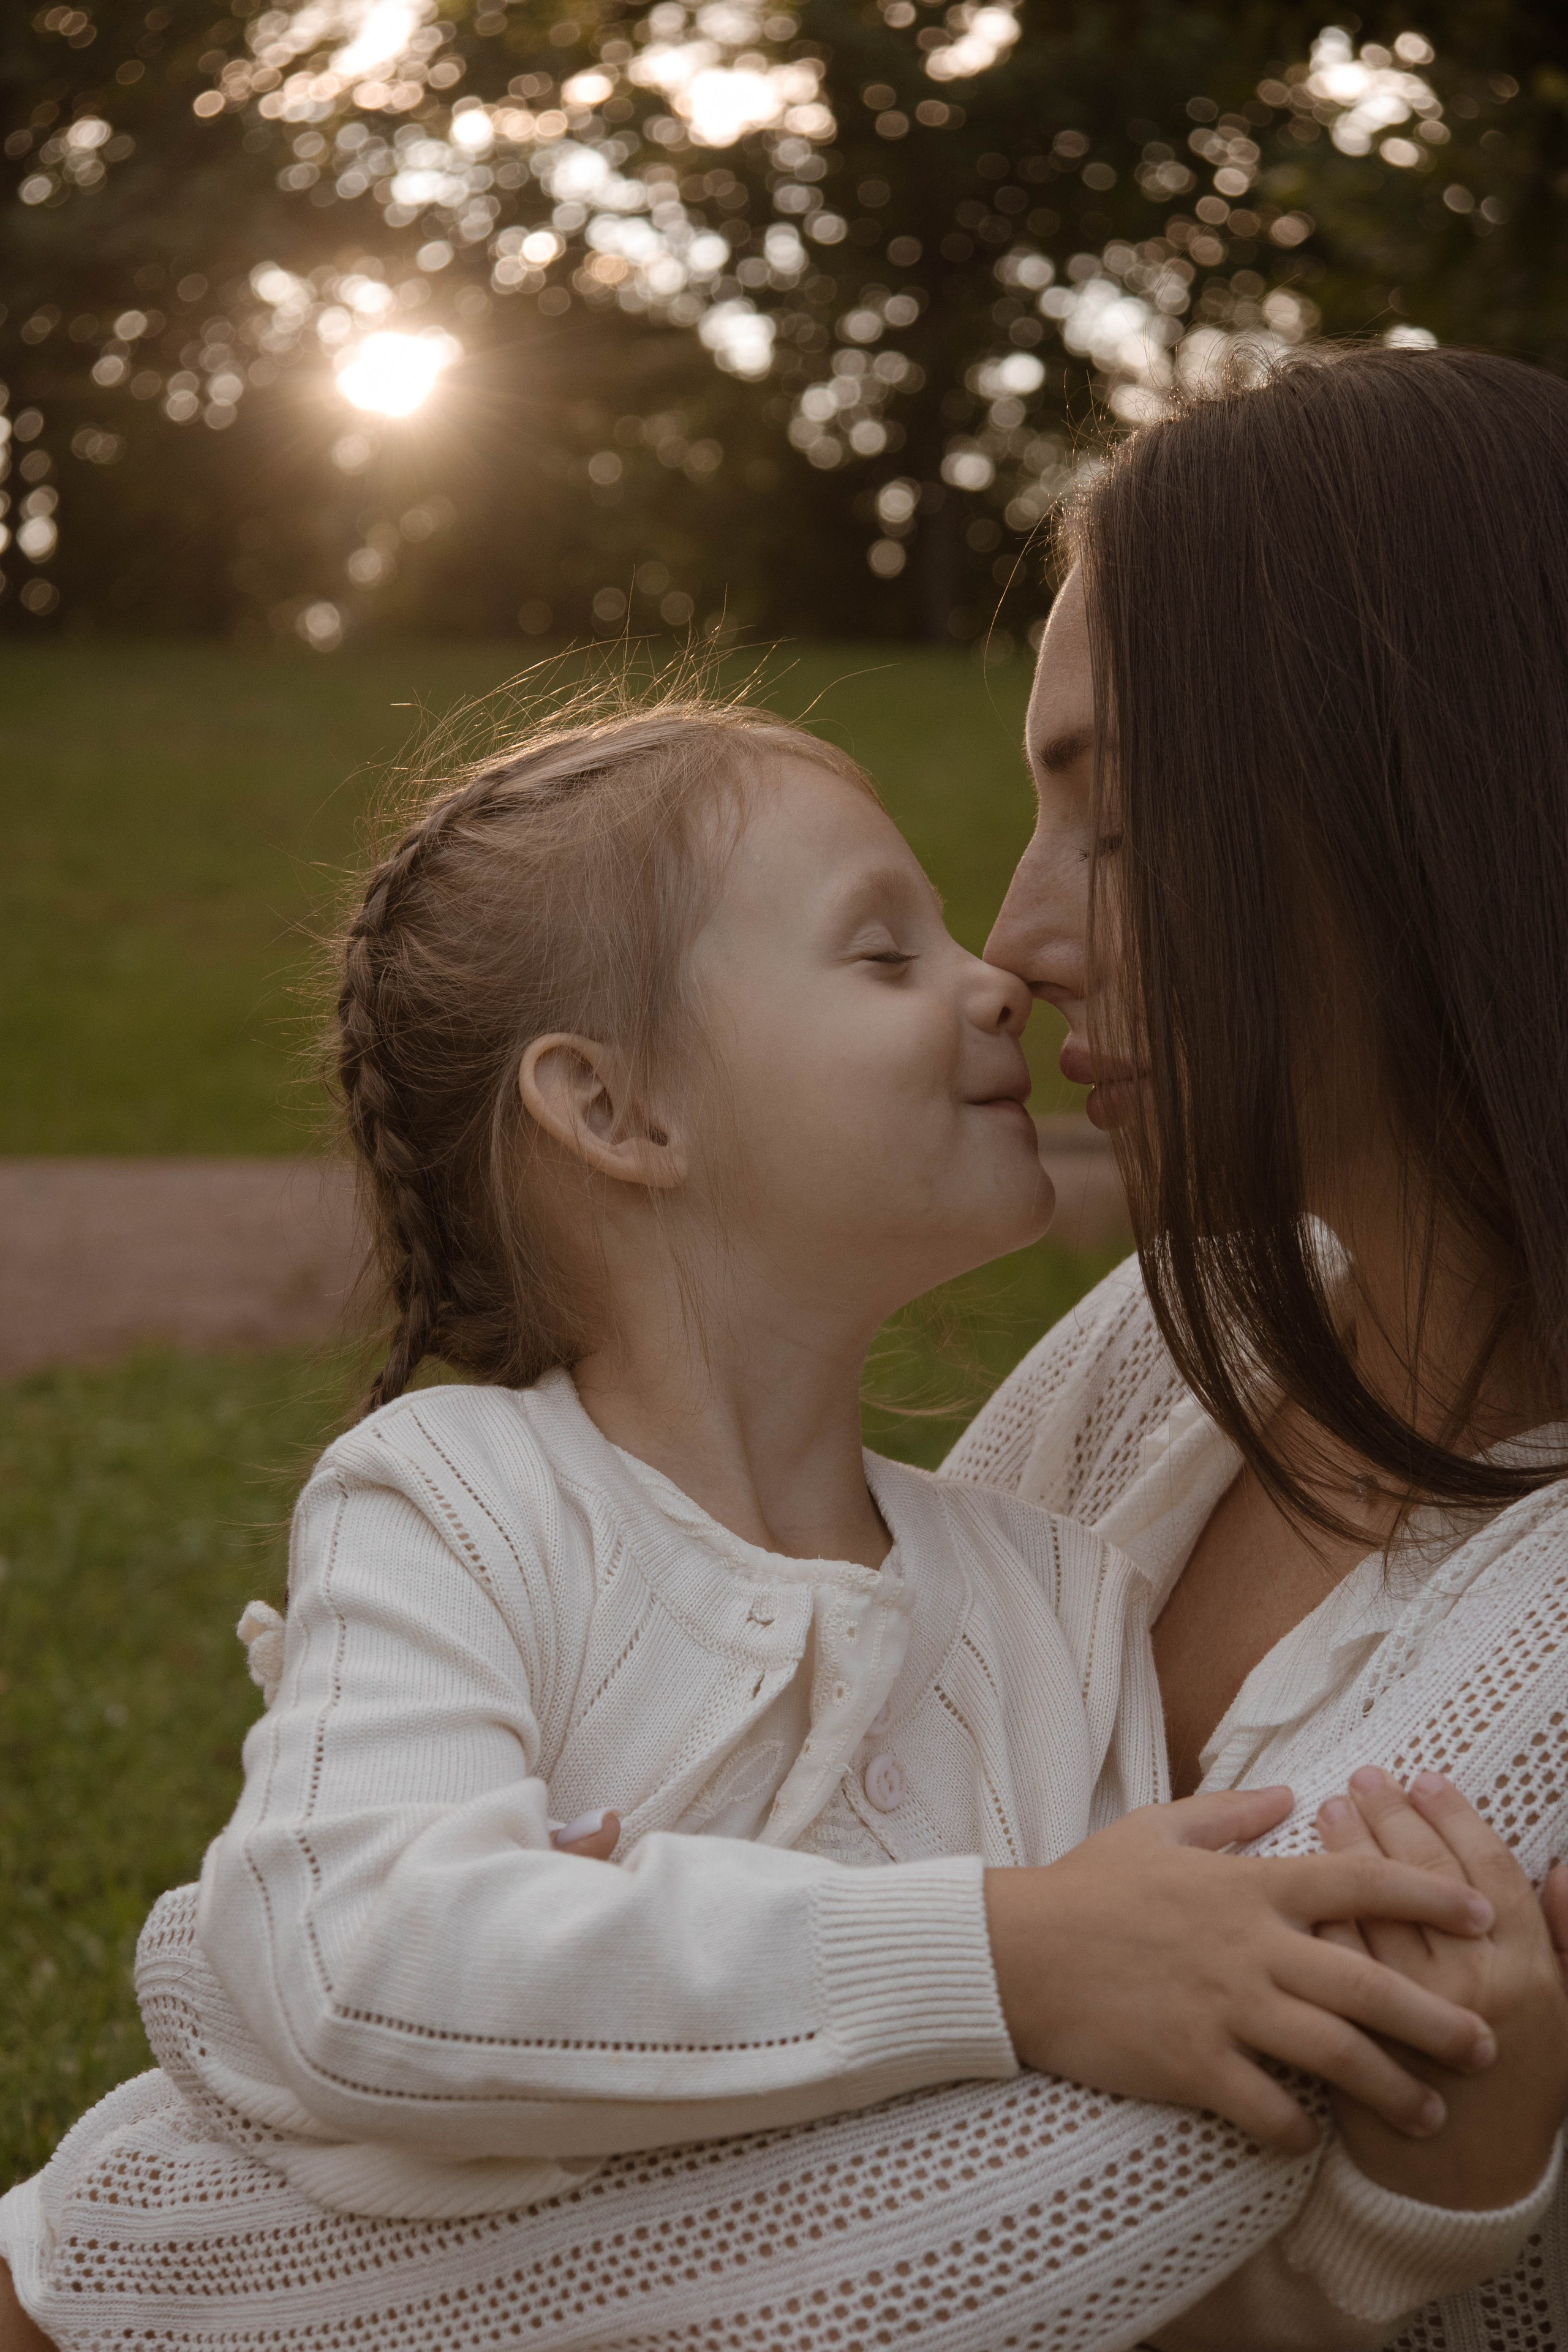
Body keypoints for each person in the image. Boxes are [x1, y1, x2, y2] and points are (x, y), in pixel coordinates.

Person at [5, 342, 1568, 2350]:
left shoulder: (1072, 1597)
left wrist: (116, 2247)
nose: (1018, 952)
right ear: (616, 1114)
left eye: (1114, 814)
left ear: (1417, 805)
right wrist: (348, 1990)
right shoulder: (1184, 1354)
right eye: (887, 941)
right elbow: (338, 1961)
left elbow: (1104, 2214)